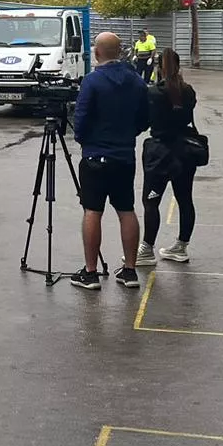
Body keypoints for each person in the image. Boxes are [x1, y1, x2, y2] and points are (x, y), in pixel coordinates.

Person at [69, 31, 150, 292]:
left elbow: (80, 119)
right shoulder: (136, 81)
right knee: (126, 210)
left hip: (96, 156)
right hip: (124, 156)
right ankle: (130, 270)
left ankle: (90, 273)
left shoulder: (92, 81)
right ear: (120, 52)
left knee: (93, 211)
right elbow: (144, 118)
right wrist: (128, 134)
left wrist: (86, 140)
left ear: (97, 53)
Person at [138, 50, 199, 267]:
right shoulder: (188, 91)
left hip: (160, 153)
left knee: (151, 201)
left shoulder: (154, 92)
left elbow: (144, 122)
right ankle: (181, 246)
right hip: (185, 151)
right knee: (185, 199)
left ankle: (146, 248)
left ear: (159, 68)